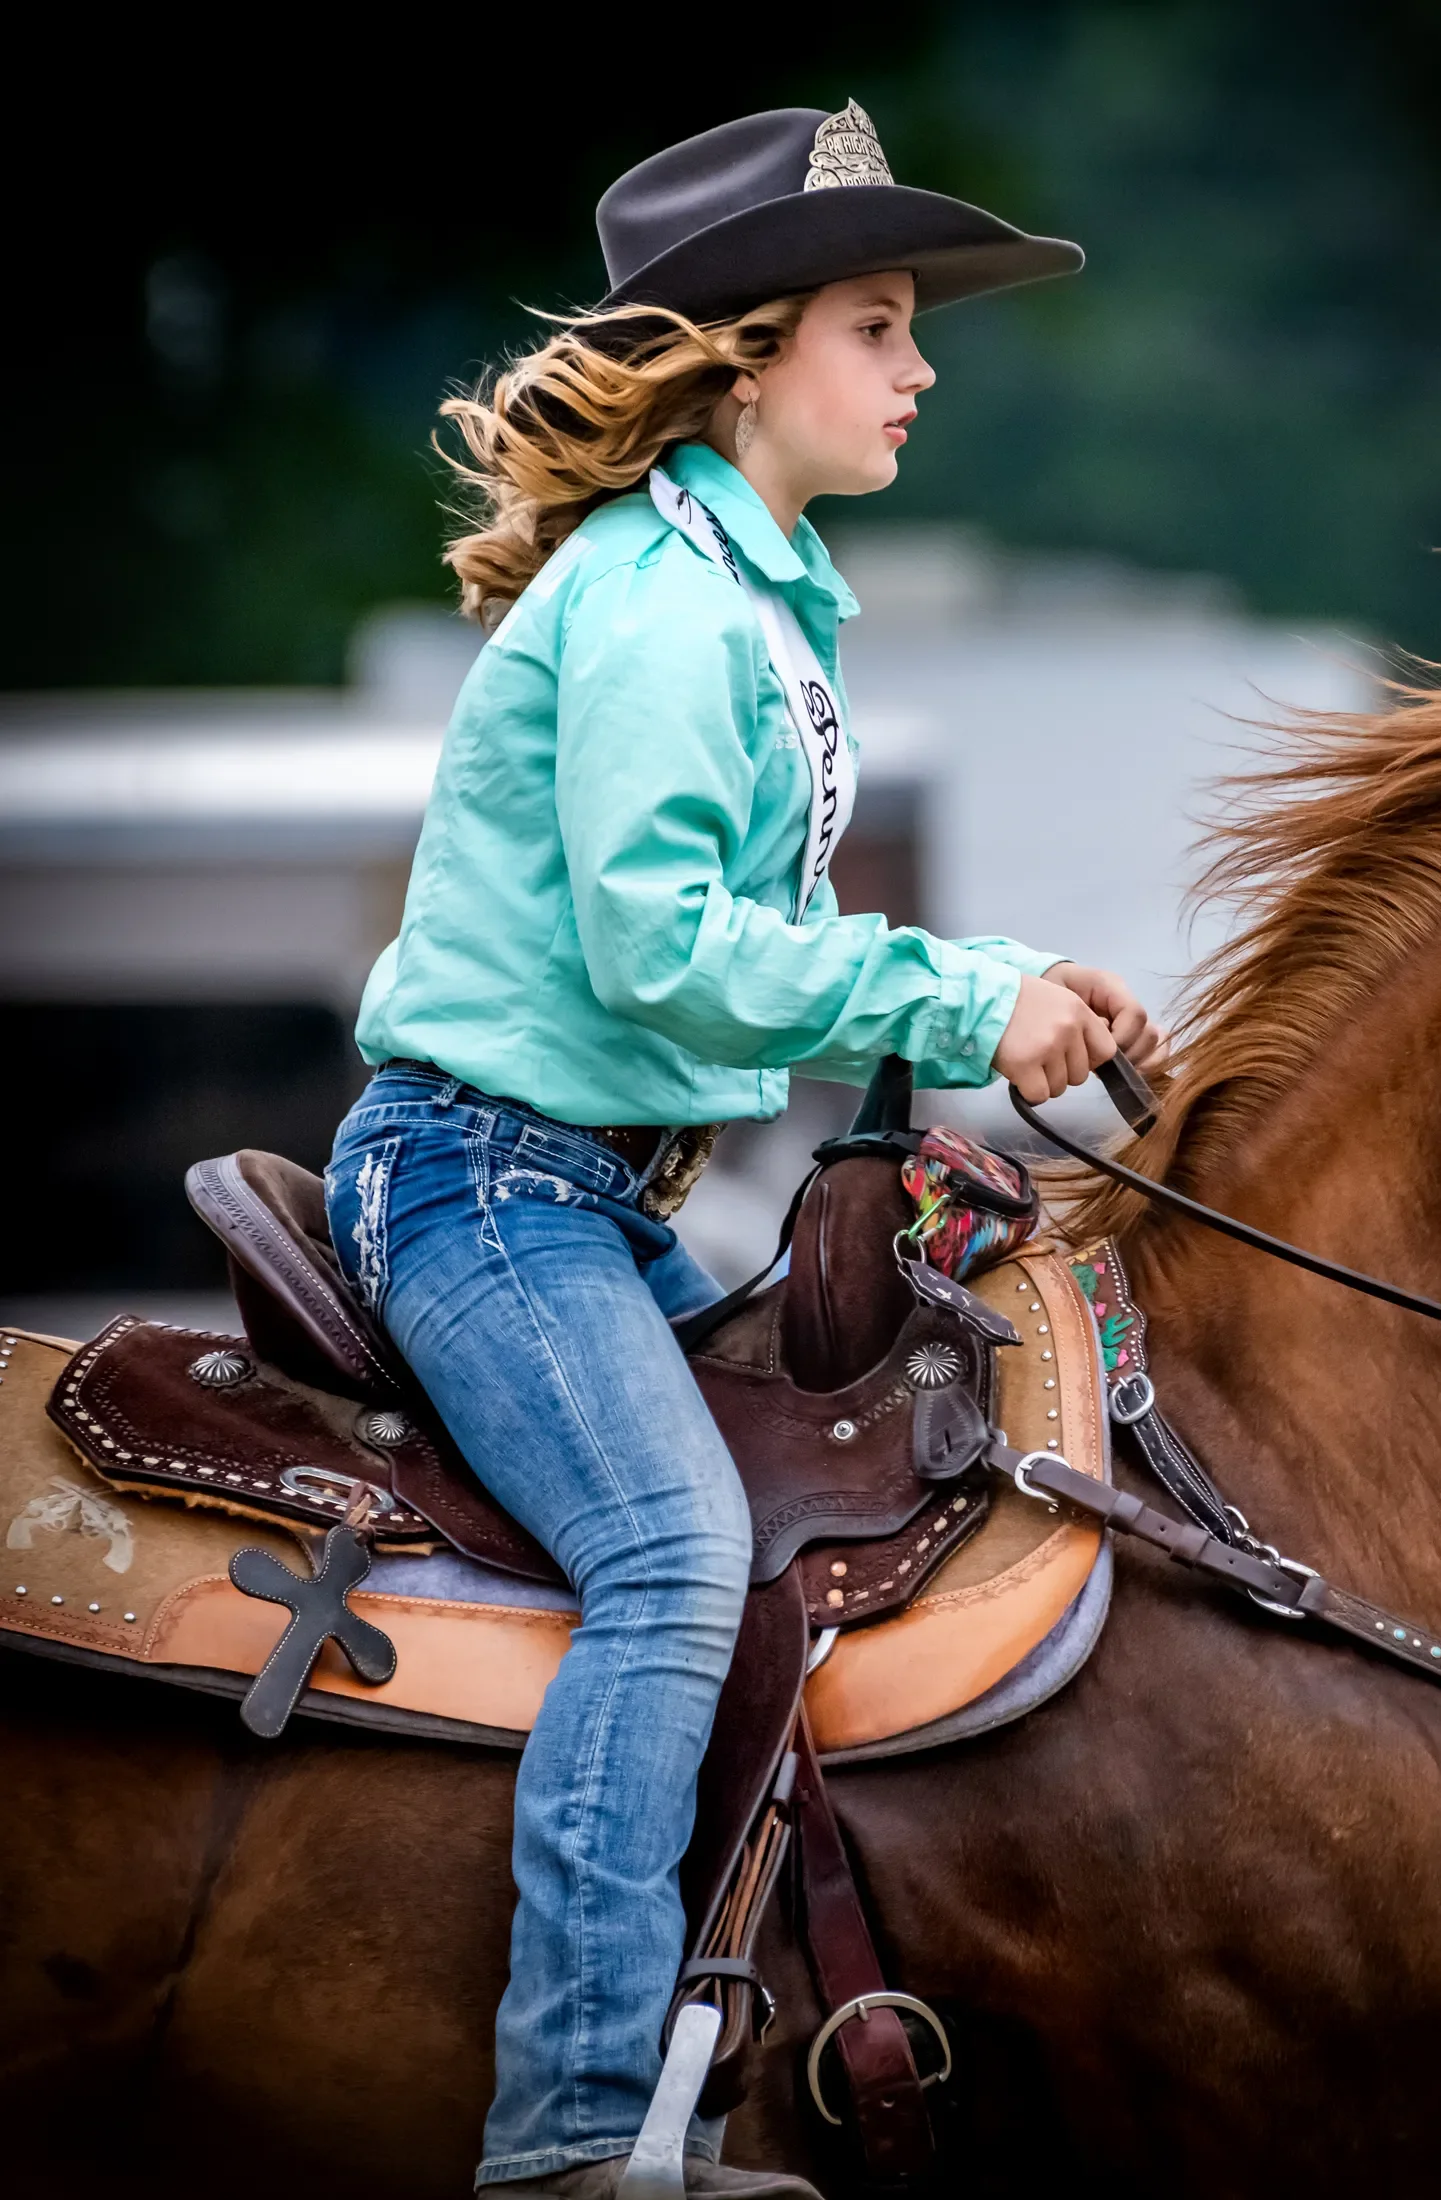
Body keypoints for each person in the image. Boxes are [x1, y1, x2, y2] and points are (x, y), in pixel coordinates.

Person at [325, 99, 1163, 2199]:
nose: (919, 367)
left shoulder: (746, 601)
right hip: (484, 1187)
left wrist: (975, 993)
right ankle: (577, 2124)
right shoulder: (660, 609)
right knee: (673, 1549)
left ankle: (756, 1999)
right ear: (742, 352)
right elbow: (666, 946)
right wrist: (971, 997)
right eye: (877, 326)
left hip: (581, 1198)